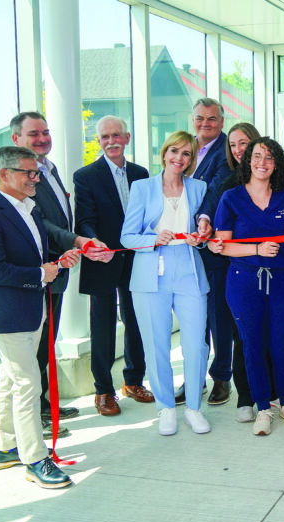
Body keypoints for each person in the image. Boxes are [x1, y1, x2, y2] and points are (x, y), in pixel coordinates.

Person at [0, 146, 79, 488]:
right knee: (29, 383)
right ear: (3, 175)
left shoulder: (29, 210)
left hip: (33, 310)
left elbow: (40, 258)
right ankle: (35, 458)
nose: (36, 179)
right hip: (9, 316)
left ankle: (4, 447)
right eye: (29, 173)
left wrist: (59, 263)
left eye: (37, 173)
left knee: (11, 378)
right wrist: (39, 273)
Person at [10, 112, 108, 433]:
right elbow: (43, 224)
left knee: (47, 344)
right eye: (33, 134)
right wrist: (78, 240)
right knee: (36, 349)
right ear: (16, 140)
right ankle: (35, 416)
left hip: (59, 270)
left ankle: (44, 404)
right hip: (39, 273)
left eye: (46, 132)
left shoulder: (48, 169)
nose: (42, 138)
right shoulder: (21, 177)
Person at [210, 137, 284, 436]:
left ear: (276, 163)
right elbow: (221, 245)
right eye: (256, 156)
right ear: (246, 161)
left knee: (282, 345)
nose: (261, 162)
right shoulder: (231, 197)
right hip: (244, 282)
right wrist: (256, 250)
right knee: (252, 345)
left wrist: (280, 258)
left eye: (268, 157)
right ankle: (262, 407)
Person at [120, 131, 213, 436]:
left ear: (192, 159)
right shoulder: (143, 187)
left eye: (186, 154)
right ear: (164, 153)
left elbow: (204, 225)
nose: (179, 158)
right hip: (150, 272)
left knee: (195, 344)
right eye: (174, 151)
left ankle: (194, 408)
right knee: (156, 343)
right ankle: (166, 407)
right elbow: (126, 236)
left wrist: (203, 231)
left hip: (189, 269)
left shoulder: (199, 188)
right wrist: (151, 239)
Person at [74, 115, 154, 417]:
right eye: (105, 137)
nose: (111, 141)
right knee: (103, 328)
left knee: (136, 322)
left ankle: (133, 381)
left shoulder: (140, 173)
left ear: (127, 138)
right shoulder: (85, 176)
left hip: (136, 260)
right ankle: (104, 391)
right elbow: (84, 219)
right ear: (98, 142)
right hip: (102, 260)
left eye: (116, 135)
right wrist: (95, 244)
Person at [201, 122, 267, 423]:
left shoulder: (276, 179)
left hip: (273, 270)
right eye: (234, 145)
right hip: (238, 269)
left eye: (245, 143)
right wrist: (206, 227)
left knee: (271, 335)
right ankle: (245, 396)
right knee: (243, 335)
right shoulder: (227, 183)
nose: (239, 150)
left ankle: (273, 394)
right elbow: (211, 210)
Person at [175, 98, 233, 407]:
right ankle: (193, 378)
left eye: (212, 119)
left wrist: (203, 219)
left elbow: (214, 189)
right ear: (192, 119)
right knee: (192, 321)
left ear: (222, 122)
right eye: (200, 118)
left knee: (217, 319)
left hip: (212, 249)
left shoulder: (226, 152)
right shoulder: (184, 148)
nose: (205, 123)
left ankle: (222, 377)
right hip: (183, 252)